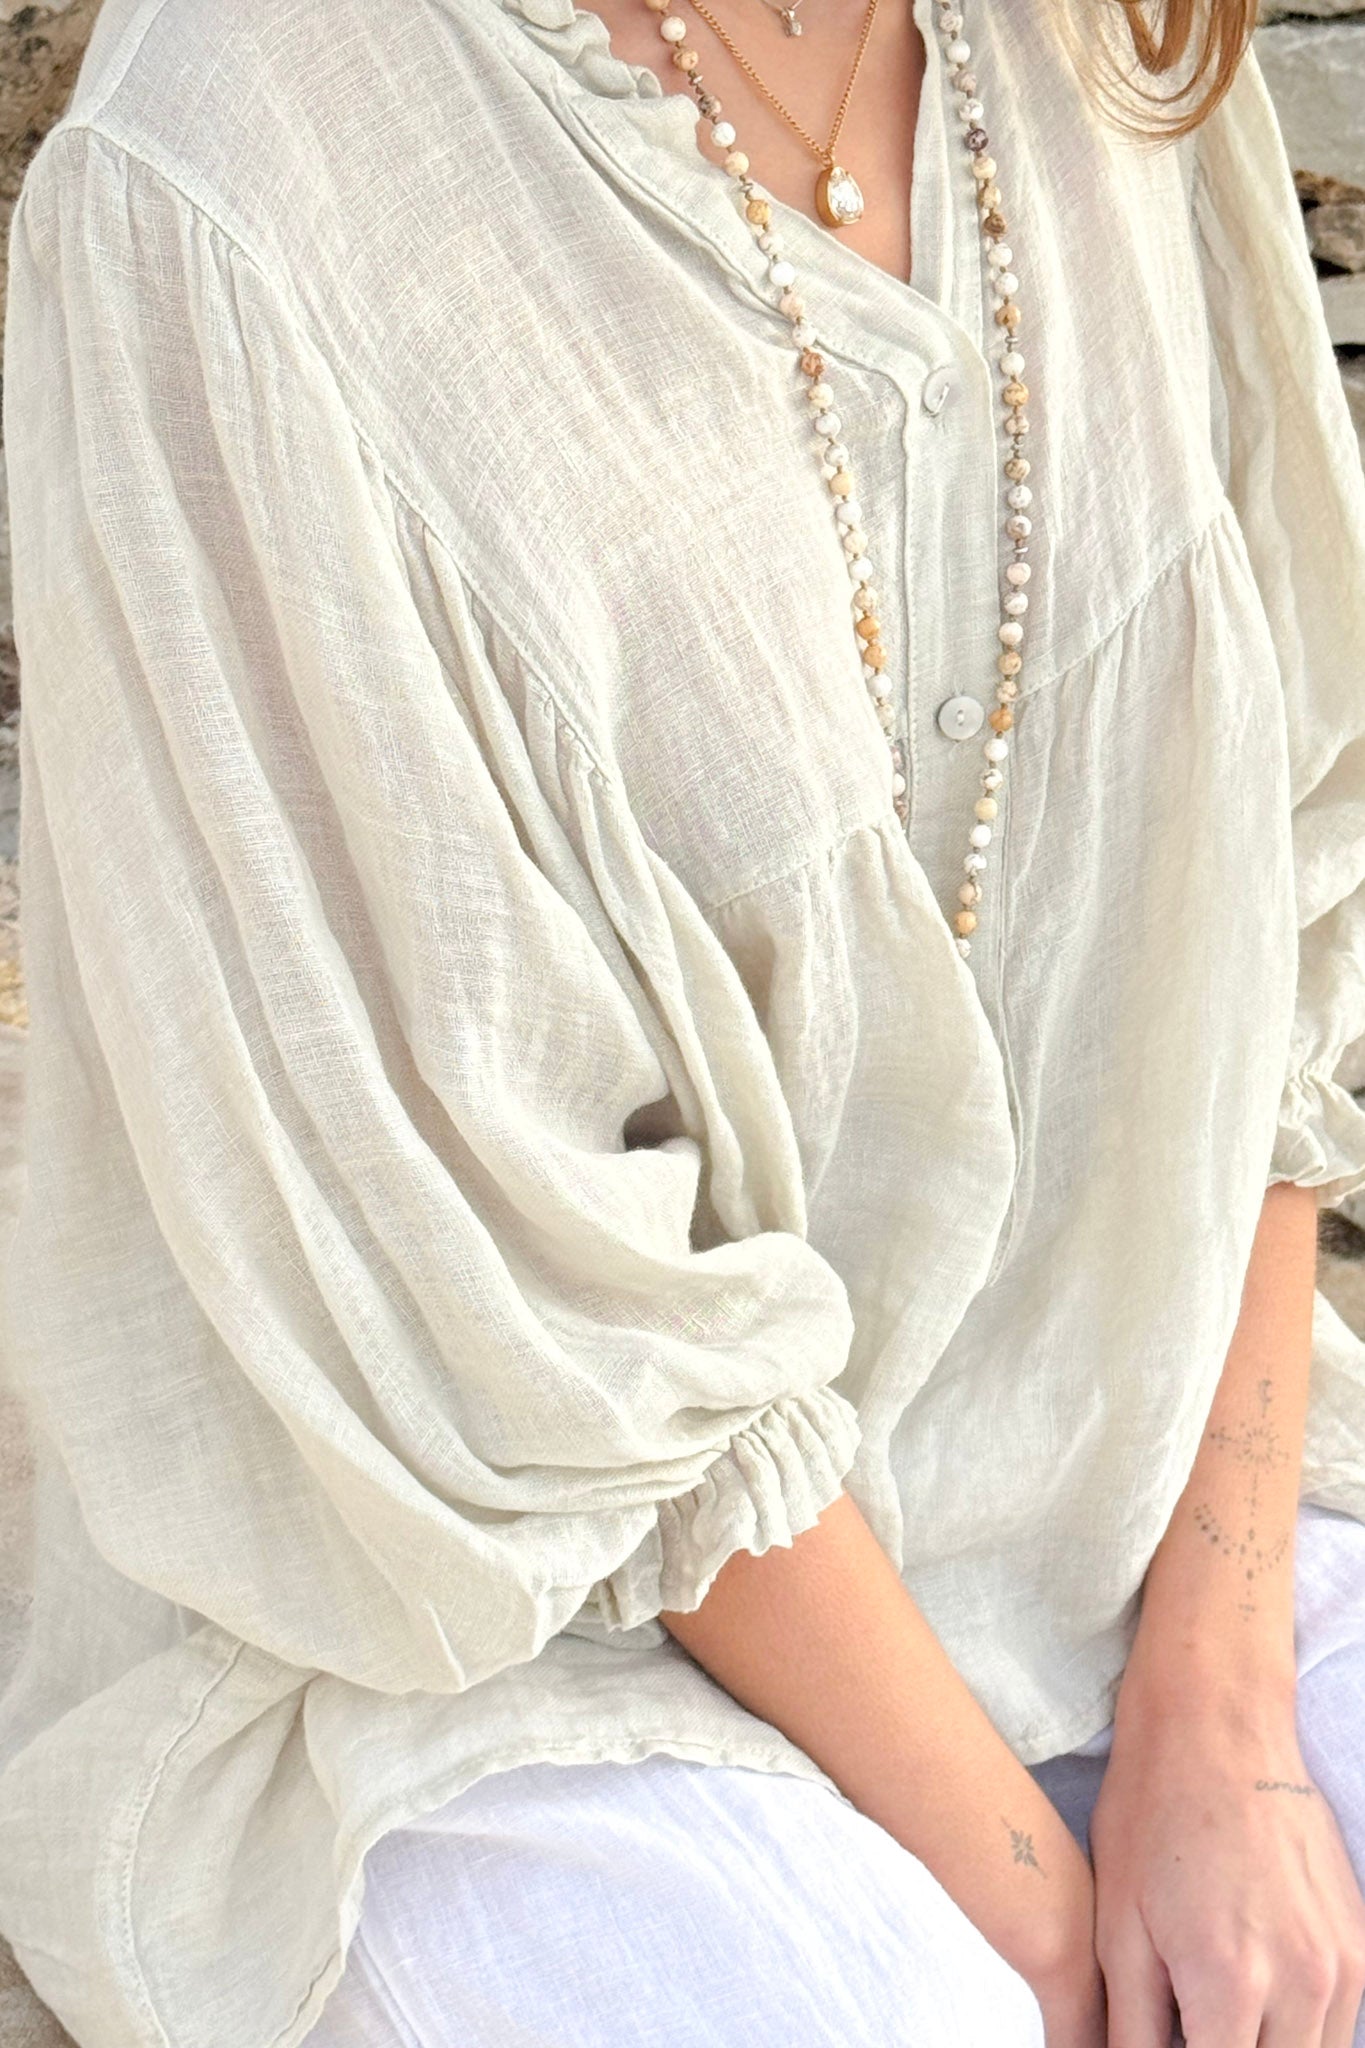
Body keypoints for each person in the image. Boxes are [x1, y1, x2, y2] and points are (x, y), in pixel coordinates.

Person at [0, 0, 1363, 2039]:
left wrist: (1222, 1714)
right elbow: (503, 1310)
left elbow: (1281, 913)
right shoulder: (236, 167)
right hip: (501, 1629)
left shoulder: (1103, 43)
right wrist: (1039, 1919)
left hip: (1137, 1497)